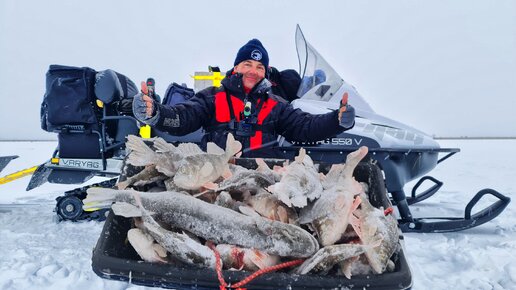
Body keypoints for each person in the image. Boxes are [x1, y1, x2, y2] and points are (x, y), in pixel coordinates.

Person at [132, 39, 355, 158]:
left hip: (264, 181)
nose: (253, 71)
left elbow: (306, 128)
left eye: (259, 67)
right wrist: (155, 113)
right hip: (217, 180)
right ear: (236, 66)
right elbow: (182, 118)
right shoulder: (212, 97)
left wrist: (337, 120)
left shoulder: (277, 105)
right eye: (247, 64)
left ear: (265, 72)